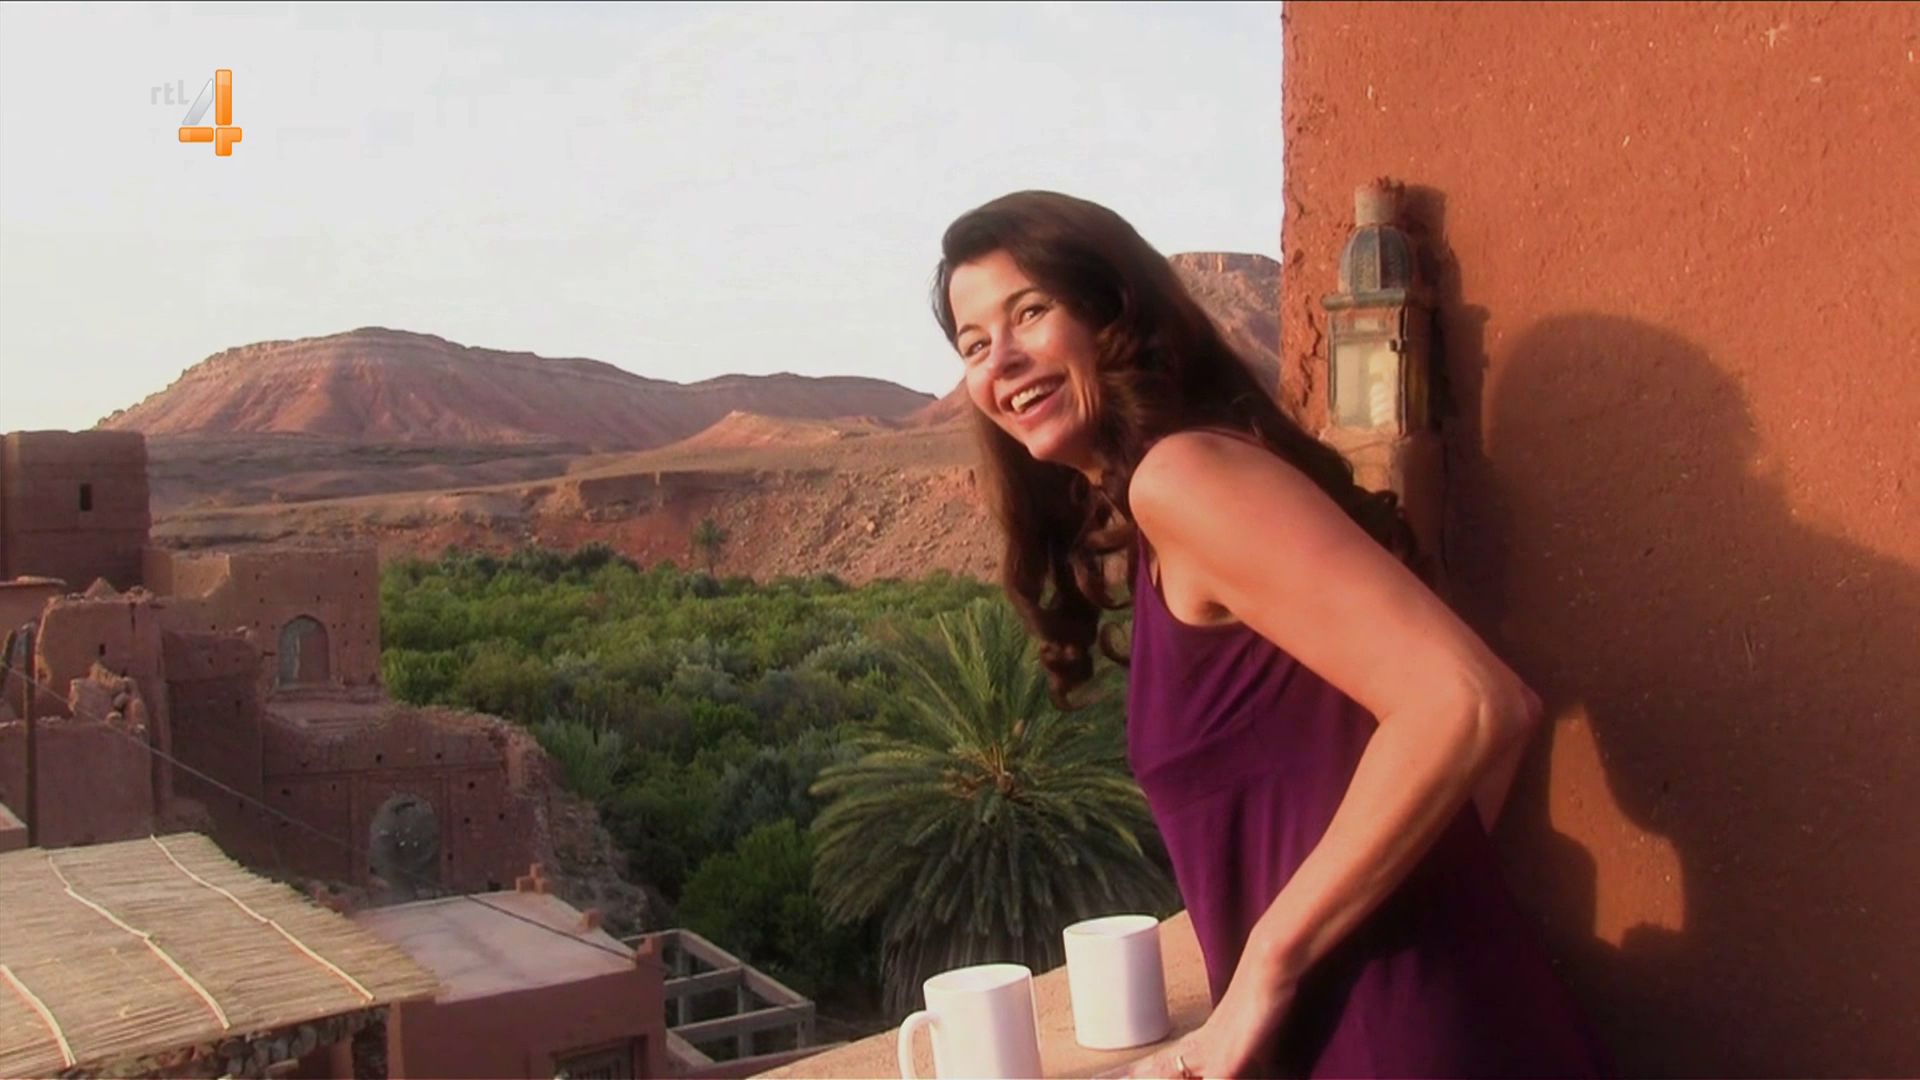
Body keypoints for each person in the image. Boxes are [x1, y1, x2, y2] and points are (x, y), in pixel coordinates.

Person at [932, 191, 1611, 1079]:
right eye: (974, 343)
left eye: (1029, 312)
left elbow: (1472, 704)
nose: (1002, 359)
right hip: (1410, 1016)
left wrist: (1268, 970)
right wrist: (1405, 904)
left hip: (1388, 1042)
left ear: (1111, 313)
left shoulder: (1183, 479)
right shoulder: (1176, 500)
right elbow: (1490, 717)